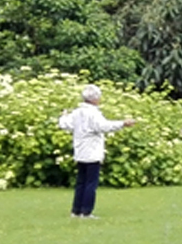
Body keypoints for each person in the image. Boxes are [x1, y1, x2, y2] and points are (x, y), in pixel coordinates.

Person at [57, 85, 136, 219]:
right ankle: (86, 211)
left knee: (81, 182)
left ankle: (76, 210)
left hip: (80, 151)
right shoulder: (93, 113)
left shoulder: (77, 112)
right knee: (90, 183)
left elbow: (64, 124)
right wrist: (122, 123)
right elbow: (103, 126)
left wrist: (63, 116)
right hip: (92, 152)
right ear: (94, 99)